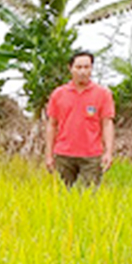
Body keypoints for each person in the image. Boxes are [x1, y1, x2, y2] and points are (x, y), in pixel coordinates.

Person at [45, 51, 116, 187]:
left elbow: (107, 124)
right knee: (62, 197)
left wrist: (108, 152)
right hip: (63, 155)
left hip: (91, 156)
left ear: (91, 68)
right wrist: (48, 155)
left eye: (86, 67)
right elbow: (52, 125)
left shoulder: (103, 94)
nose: (83, 71)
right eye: (78, 67)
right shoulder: (58, 94)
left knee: (87, 198)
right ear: (70, 68)